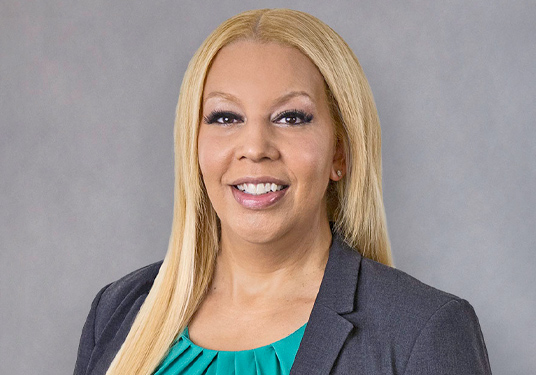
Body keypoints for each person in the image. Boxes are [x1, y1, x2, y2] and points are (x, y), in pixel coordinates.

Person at [73, 8, 491, 375]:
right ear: (192, 145)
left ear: (339, 153)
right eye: (224, 117)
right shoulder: (118, 312)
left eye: (291, 118)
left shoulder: (424, 330)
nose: (255, 148)